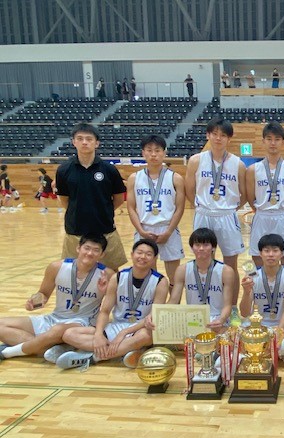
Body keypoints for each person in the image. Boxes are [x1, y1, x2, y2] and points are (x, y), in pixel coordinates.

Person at [56, 239, 169, 370]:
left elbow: (152, 316)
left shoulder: (160, 282)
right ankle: (126, 350)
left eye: (148, 254)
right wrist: (99, 335)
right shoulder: (118, 277)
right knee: (69, 334)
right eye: (139, 252)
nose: (143, 257)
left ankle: (92, 358)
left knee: (146, 336)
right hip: (117, 325)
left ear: (155, 258)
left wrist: (124, 332)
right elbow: (105, 311)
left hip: (139, 328)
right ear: (132, 254)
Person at [0, 234, 112, 364]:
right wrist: (35, 301)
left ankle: (9, 352)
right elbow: (43, 293)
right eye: (86, 248)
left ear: (102, 255)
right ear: (78, 248)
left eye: (96, 250)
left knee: (57, 330)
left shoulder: (107, 275)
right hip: (55, 318)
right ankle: (52, 349)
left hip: (83, 322)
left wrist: (106, 291)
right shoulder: (56, 267)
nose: (90, 253)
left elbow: (112, 306)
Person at [185, 117, 246, 305]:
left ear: (229, 139)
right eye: (215, 134)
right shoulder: (196, 160)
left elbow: (244, 194)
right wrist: (201, 207)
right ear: (208, 135)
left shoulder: (238, 164)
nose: (218, 138)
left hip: (227, 215)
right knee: (203, 261)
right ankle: (205, 304)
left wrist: (229, 209)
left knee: (231, 264)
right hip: (204, 214)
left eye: (223, 135)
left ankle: (232, 307)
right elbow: (189, 189)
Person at [55, 123, 128, 271]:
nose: (84, 142)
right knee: (73, 273)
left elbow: (119, 198)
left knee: (110, 274)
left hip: (105, 230)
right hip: (75, 230)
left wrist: (103, 211)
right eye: (80, 138)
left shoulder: (109, 170)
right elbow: (64, 200)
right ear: (74, 142)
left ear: (97, 143)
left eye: (89, 139)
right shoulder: (63, 170)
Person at [126, 135, 185, 286]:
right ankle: (150, 302)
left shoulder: (175, 178)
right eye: (149, 150)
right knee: (147, 277)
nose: (153, 154)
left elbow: (180, 208)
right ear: (143, 152)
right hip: (144, 229)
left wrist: (168, 232)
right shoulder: (134, 178)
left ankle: (173, 302)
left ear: (164, 152)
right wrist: (141, 231)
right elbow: (131, 207)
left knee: (174, 279)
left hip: (168, 229)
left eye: (157, 150)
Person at [239, 234, 284, 364]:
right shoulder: (252, 275)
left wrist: (278, 334)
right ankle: (280, 353)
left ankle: (258, 353)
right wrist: (246, 292)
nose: (271, 255)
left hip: (282, 326)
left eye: (275, 251)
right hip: (257, 327)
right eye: (266, 251)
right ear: (260, 254)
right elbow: (244, 313)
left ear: (282, 254)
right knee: (237, 336)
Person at [246, 121, 284, 268]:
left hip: (282, 216)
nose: (273, 143)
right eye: (269, 139)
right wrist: (261, 210)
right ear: (263, 141)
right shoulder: (253, 170)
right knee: (258, 260)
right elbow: (250, 197)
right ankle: (260, 284)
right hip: (261, 216)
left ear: (283, 142)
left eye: (277, 139)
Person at [169, 228, 234, 332]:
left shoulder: (226, 271)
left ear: (213, 248)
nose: (201, 248)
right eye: (197, 245)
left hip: (217, 317)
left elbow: (227, 305)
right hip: (192, 318)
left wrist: (221, 320)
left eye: (206, 245)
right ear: (192, 247)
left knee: (223, 335)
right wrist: (157, 314)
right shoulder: (182, 270)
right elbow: (173, 300)